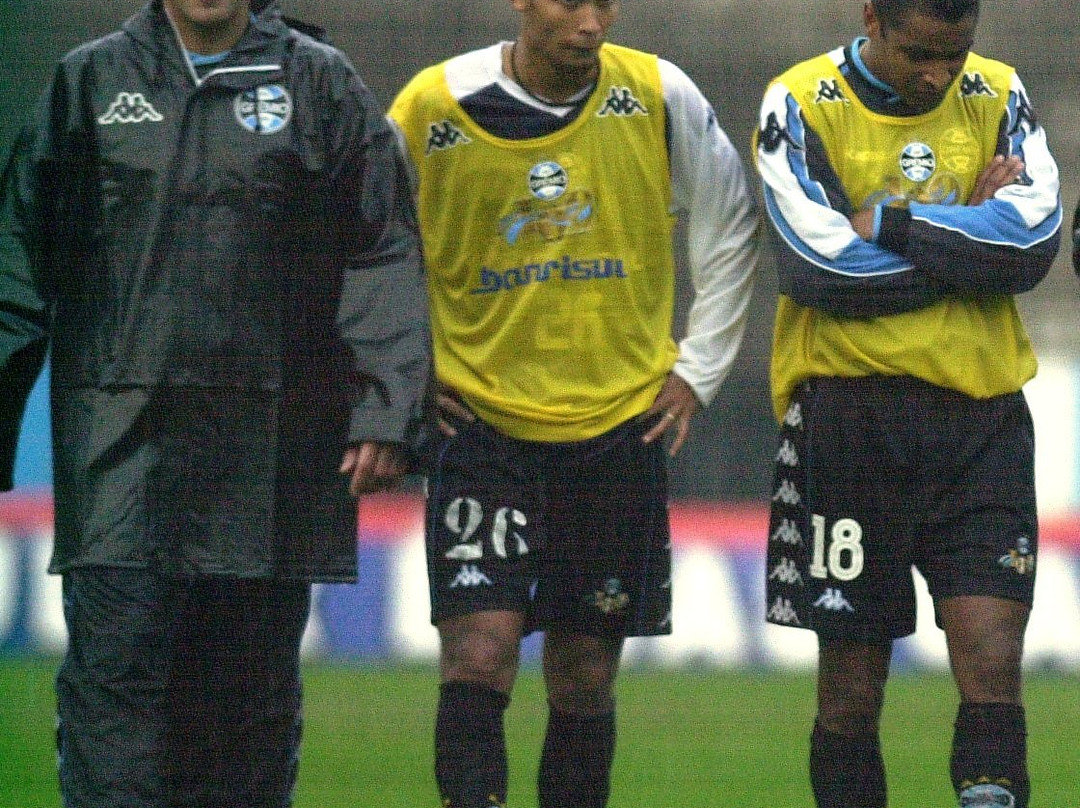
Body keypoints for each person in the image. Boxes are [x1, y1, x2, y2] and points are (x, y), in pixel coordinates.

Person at [0, 1, 430, 806]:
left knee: (247, 719)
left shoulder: (321, 85)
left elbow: (382, 249)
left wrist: (385, 406)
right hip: (121, 453)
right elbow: (19, 258)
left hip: (271, 458)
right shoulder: (89, 82)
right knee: (112, 702)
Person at [387, 0, 759, 805]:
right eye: (568, 3)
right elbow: (366, 237)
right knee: (479, 654)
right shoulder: (433, 105)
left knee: (585, 673)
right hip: (481, 427)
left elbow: (730, 222)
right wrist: (403, 364)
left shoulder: (659, 95)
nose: (590, 23)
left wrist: (698, 369)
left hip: (616, 429)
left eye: (603, 4)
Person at [755, 1, 1061, 806]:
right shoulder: (799, 99)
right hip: (850, 419)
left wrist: (890, 220)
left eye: (954, 55)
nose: (939, 75)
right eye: (920, 54)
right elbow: (820, 271)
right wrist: (969, 241)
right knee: (852, 689)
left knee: (993, 661)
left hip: (982, 418)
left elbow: (1031, 245)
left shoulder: (996, 92)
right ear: (872, 19)